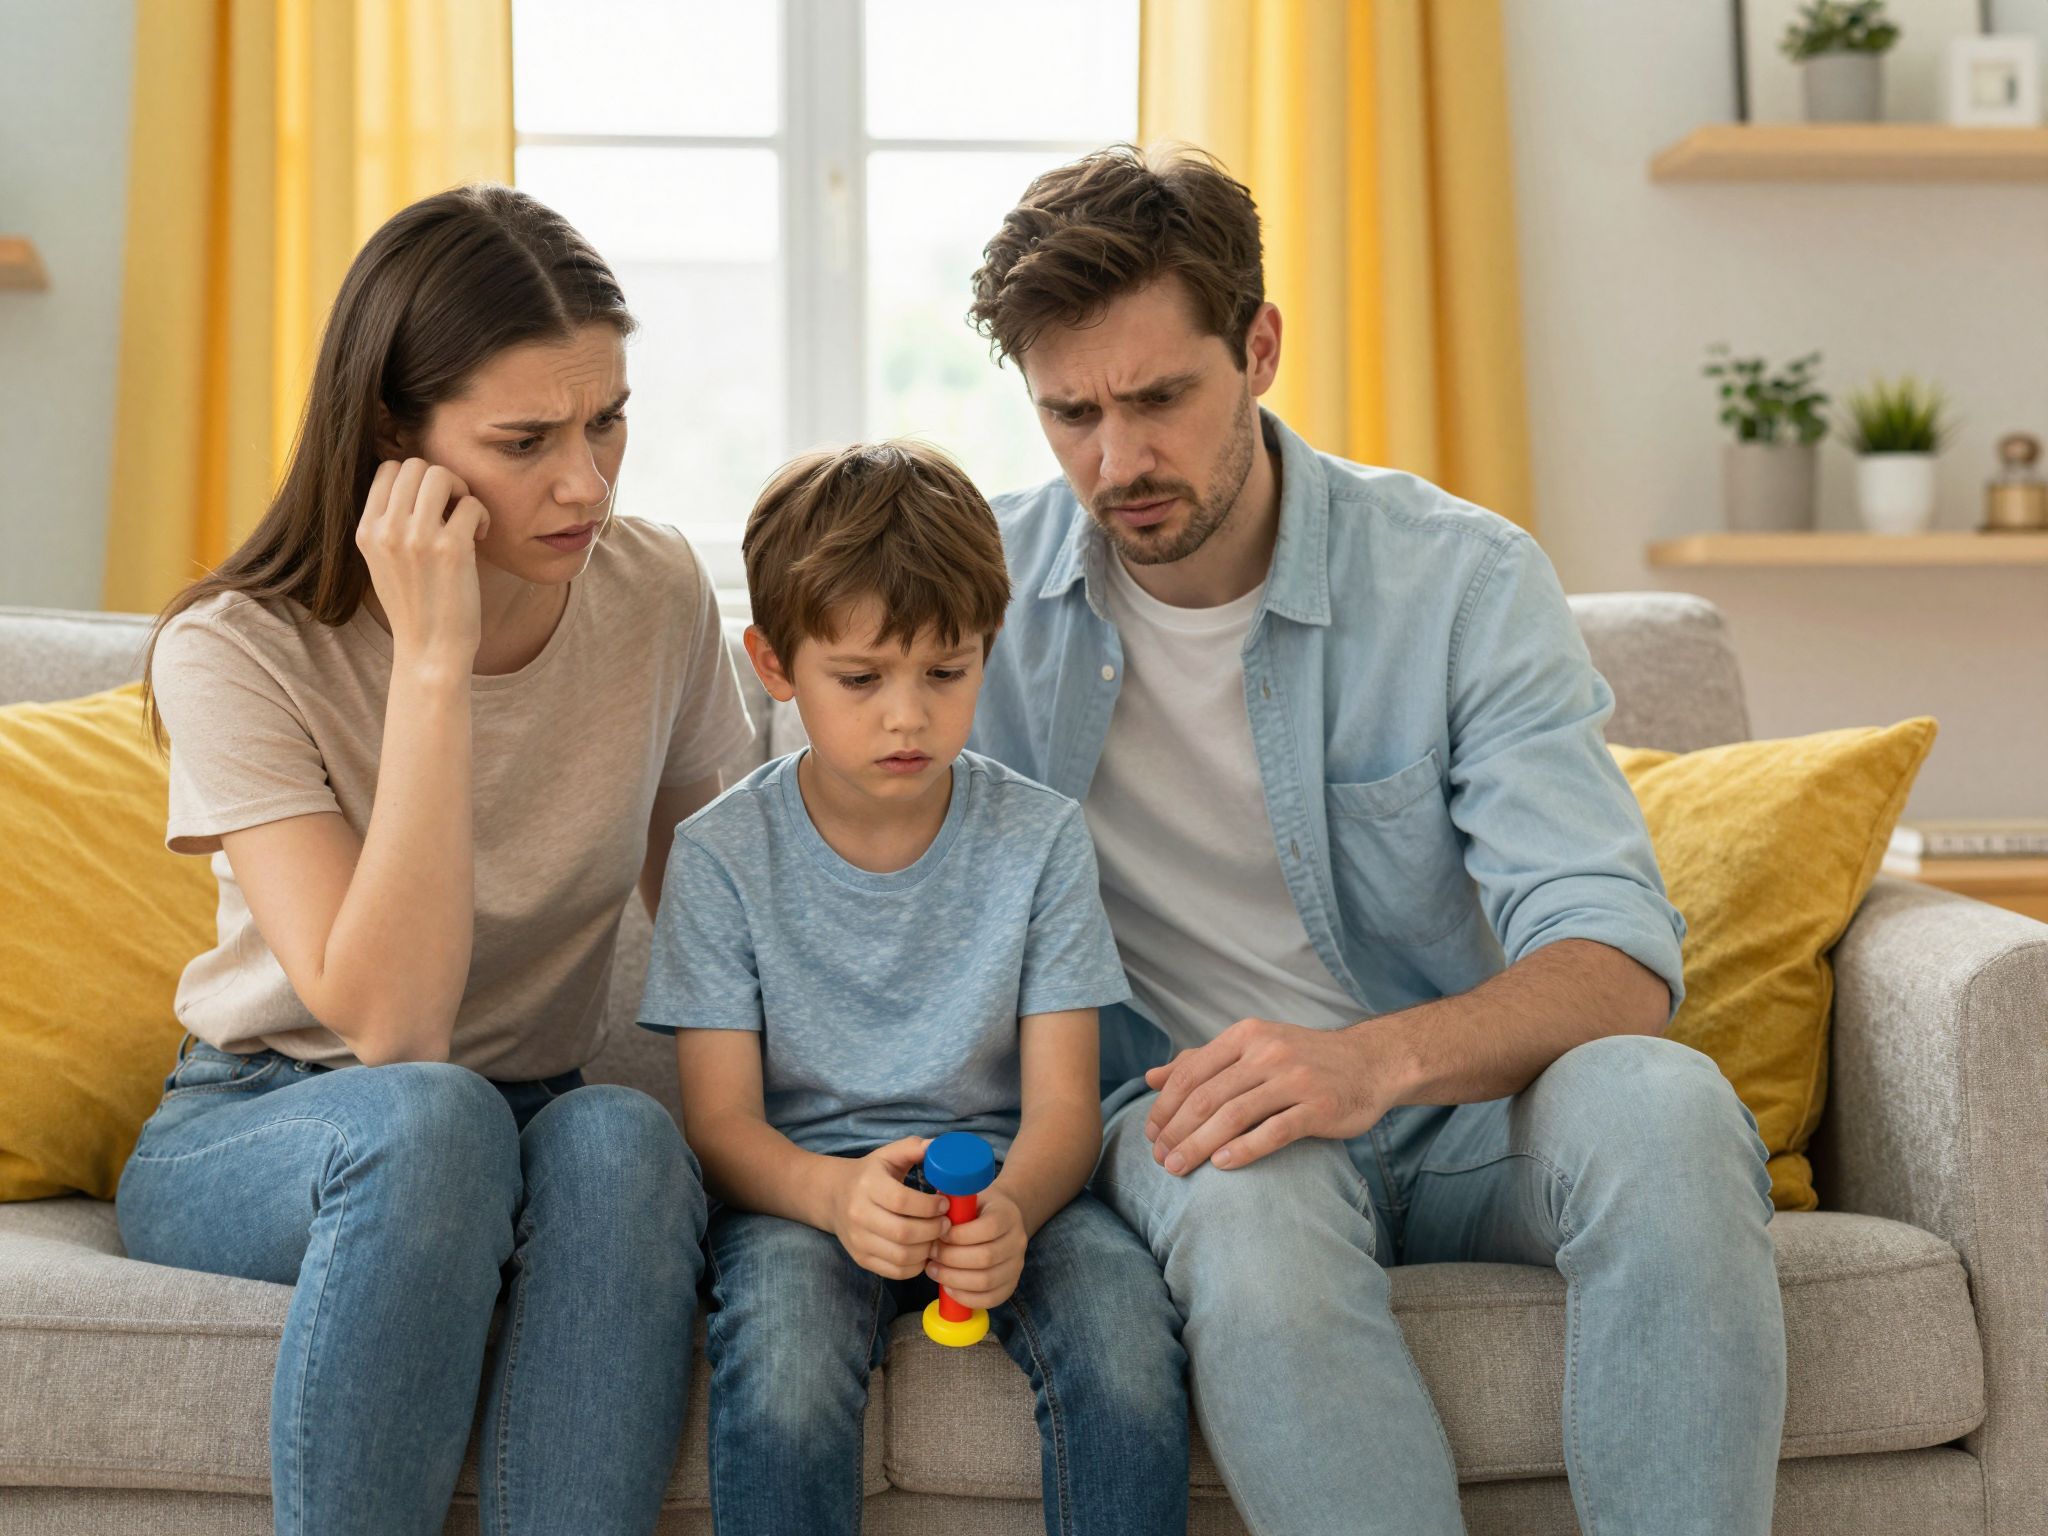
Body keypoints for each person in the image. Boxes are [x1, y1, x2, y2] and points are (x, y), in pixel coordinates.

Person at [965, 144, 1787, 1535]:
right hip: (1194, 1116)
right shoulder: (975, 604)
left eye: (1159, 399)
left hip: (1466, 1112)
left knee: (1666, 1104)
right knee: (1242, 1194)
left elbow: (1613, 961)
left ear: (1259, 348)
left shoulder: (1459, 581)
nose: (1118, 461)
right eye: (1070, 414)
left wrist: (1366, 1063)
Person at [119, 184, 752, 1535]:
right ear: (393, 440)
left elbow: (729, 937)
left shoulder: (654, 594)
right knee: (435, 1118)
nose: (586, 483)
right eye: (525, 442)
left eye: (608, 420)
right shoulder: (236, 649)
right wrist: (433, 660)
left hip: (526, 1110)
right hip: (268, 1121)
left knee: (626, 1138)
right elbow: (396, 1029)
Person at [640, 440, 1188, 1536]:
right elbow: (720, 1127)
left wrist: (1013, 1210)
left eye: (946, 673)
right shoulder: (719, 855)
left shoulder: (1039, 839)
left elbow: (1065, 1110)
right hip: (803, 1196)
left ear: (989, 647)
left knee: (1128, 1354)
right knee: (784, 1370)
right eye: (861, 679)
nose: (908, 717)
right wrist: (833, 1196)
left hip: (1011, 1183)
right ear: (773, 663)